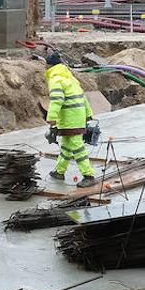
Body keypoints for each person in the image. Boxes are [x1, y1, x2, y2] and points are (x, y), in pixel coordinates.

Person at [44, 51, 97, 188]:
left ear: (49, 66)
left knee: (77, 147)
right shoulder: (70, 78)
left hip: (70, 118)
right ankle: (59, 171)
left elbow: (57, 100)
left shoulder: (56, 79)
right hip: (77, 116)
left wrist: (51, 118)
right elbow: (82, 97)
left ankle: (88, 175)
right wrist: (88, 113)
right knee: (67, 145)